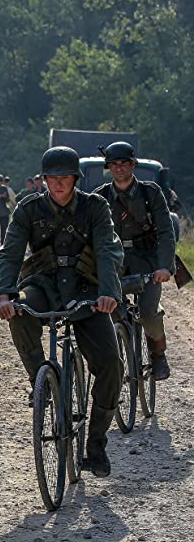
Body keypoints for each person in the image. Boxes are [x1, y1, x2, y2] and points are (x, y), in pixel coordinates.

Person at [0, 146, 124, 477]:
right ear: (44, 180)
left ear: (75, 179)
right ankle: (42, 381)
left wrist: (108, 293)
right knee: (19, 310)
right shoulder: (28, 209)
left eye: (64, 178)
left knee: (110, 363)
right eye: (52, 178)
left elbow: (108, 250)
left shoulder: (95, 207)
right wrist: (4, 294)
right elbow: (9, 253)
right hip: (44, 286)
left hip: (87, 291)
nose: (58, 185)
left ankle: (95, 442)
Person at [93, 141, 176, 380]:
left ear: (132, 165)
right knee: (109, 311)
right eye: (114, 164)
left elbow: (165, 232)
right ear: (108, 167)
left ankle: (158, 354)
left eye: (124, 163)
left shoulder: (150, 193)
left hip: (147, 261)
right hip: (114, 263)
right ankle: (118, 356)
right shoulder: (101, 197)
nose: (119, 168)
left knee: (149, 312)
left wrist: (165, 266)